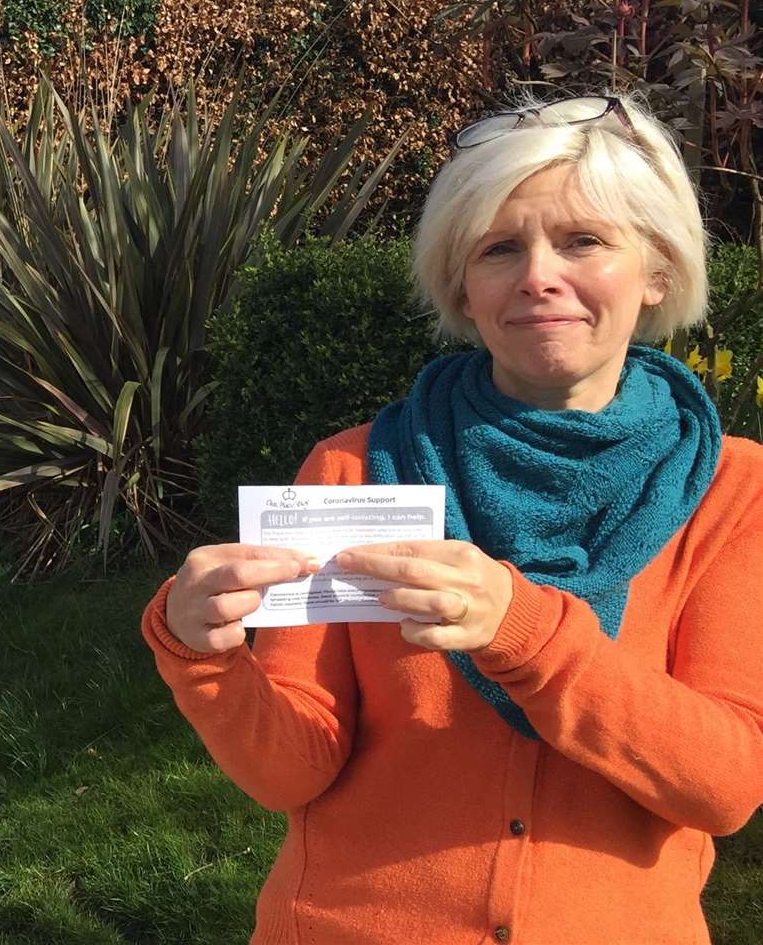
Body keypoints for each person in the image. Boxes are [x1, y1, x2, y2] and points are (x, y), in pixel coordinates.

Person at [146, 95, 763, 943]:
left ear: (657, 269)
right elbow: (292, 770)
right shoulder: (354, 468)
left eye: (583, 240)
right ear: (462, 289)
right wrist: (202, 656)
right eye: (500, 248)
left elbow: (724, 786)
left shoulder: (736, 489)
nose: (539, 275)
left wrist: (527, 631)